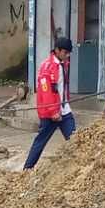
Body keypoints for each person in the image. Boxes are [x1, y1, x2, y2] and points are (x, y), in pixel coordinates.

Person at [22, 37, 76, 171]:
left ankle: (79, 168)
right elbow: (46, 92)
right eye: (65, 52)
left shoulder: (63, 64)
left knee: (75, 139)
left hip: (64, 109)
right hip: (50, 113)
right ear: (57, 50)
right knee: (41, 141)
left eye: (69, 53)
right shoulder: (47, 67)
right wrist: (53, 112)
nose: (67, 55)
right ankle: (27, 169)